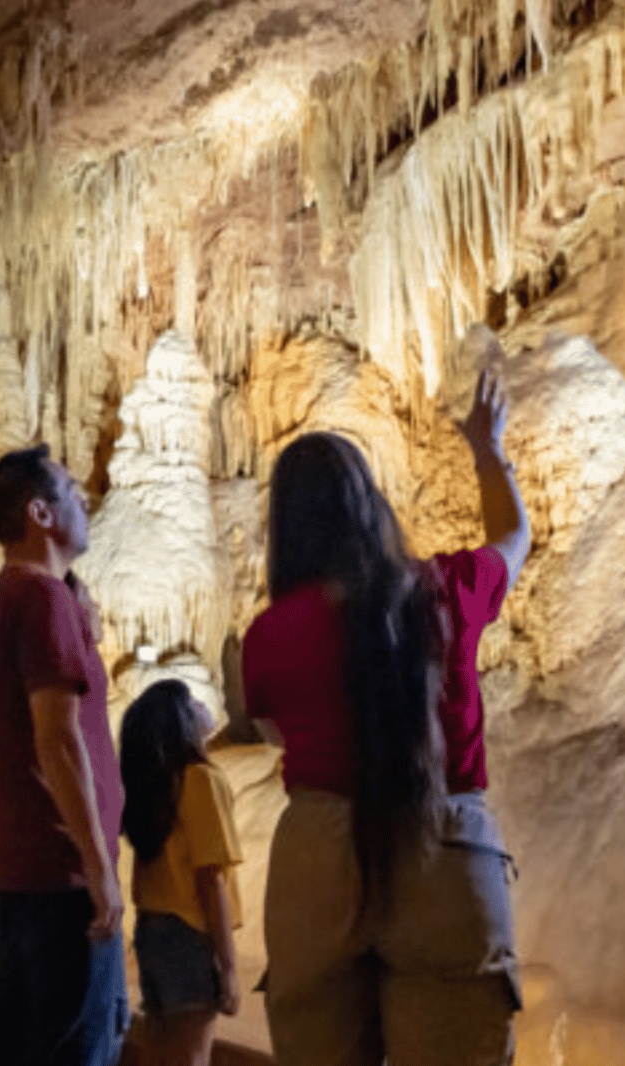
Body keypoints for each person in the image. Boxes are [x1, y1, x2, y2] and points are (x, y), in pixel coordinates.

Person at [244, 367, 531, 1066]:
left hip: (318, 861)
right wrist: (487, 450)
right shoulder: (445, 591)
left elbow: (273, 731)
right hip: (443, 844)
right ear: (371, 508)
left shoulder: (269, 636)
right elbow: (515, 536)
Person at [0, 444, 126, 1066]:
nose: (85, 503)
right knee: (75, 1049)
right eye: (72, 493)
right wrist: (98, 867)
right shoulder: (41, 599)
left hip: (22, 872)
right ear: (41, 513)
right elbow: (57, 738)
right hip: (59, 873)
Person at [118, 680, 241, 1066]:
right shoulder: (201, 780)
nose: (205, 705)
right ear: (181, 721)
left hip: (152, 931)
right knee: (191, 1057)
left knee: (161, 1052)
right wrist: (230, 966)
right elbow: (210, 879)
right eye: (194, 702)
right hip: (189, 934)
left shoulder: (156, 788)